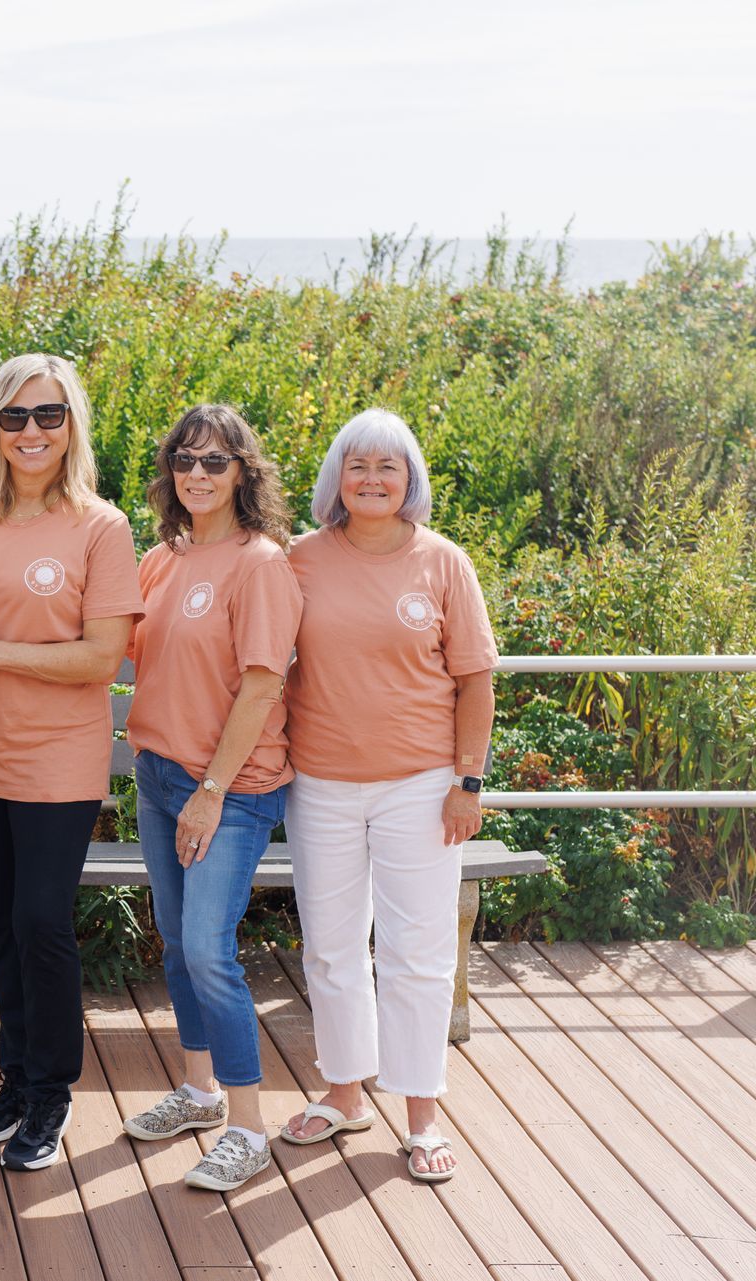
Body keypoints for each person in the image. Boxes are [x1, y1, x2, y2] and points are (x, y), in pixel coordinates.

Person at [0, 353, 142, 1171]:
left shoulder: (101, 527)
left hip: (58, 763)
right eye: (15, 416)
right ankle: (14, 1079)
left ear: (72, 423)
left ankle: (52, 1091)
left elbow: (102, 659)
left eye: (48, 415)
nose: (32, 431)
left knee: (43, 923)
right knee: (1, 925)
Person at [278, 408, 495, 1184]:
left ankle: (420, 1111)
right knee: (332, 945)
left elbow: (474, 679)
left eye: (388, 466)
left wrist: (467, 780)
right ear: (336, 477)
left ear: (411, 481)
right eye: (357, 465)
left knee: (419, 953)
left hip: (422, 785)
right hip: (321, 784)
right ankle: (344, 1092)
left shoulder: (443, 562)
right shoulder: (298, 559)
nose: (371, 478)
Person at [117, 405, 302, 1193]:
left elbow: (263, 683)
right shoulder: (164, 558)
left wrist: (212, 791)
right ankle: (198, 1092)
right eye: (184, 460)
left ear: (244, 473)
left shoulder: (259, 563)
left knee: (207, 949)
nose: (197, 473)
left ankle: (248, 1127)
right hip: (158, 775)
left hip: (229, 787)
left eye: (215, 462)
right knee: (173, 939)